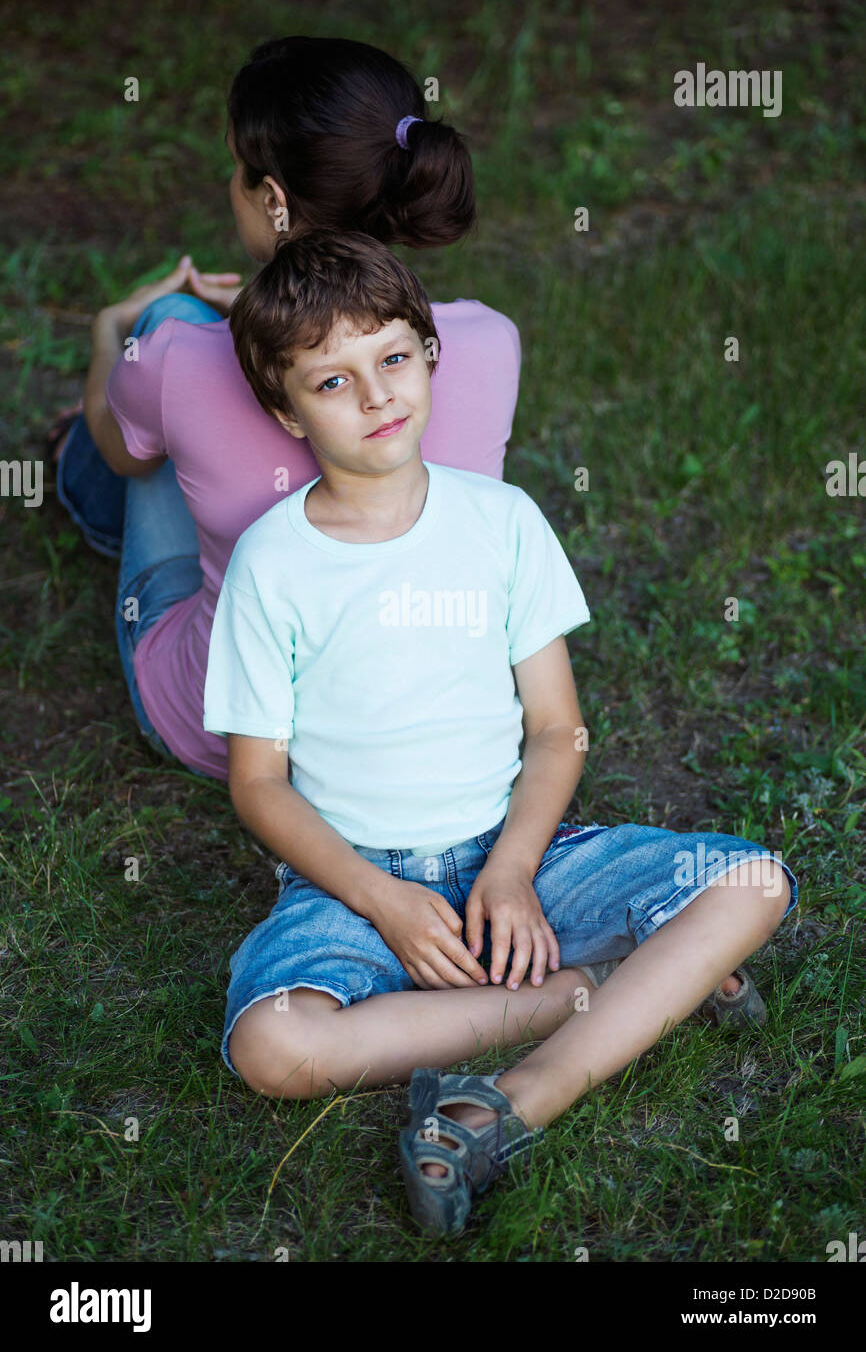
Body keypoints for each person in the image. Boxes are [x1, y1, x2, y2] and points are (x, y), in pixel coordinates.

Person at [202, 232, 798, 1237]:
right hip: (351, 881)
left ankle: (506, 1105)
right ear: (283, 408)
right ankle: (594, 988)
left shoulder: (501, 521)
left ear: (428, 355)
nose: (375, 394)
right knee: (270, 1045)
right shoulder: (273, 563)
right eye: (331, 380)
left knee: (754, 884)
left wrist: (514, 870)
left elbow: (557, 731)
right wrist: (384, 900)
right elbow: (258, 784)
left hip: (511, 854)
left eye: (393, 357)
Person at [47, 36, 520, 778]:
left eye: (237, 170)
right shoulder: (490, 342)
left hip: (222, 729)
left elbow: (120, 453)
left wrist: (113, 333)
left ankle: (66, 466)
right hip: (420, 722)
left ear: (273, 198)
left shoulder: (182, 356)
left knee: (146, 372)